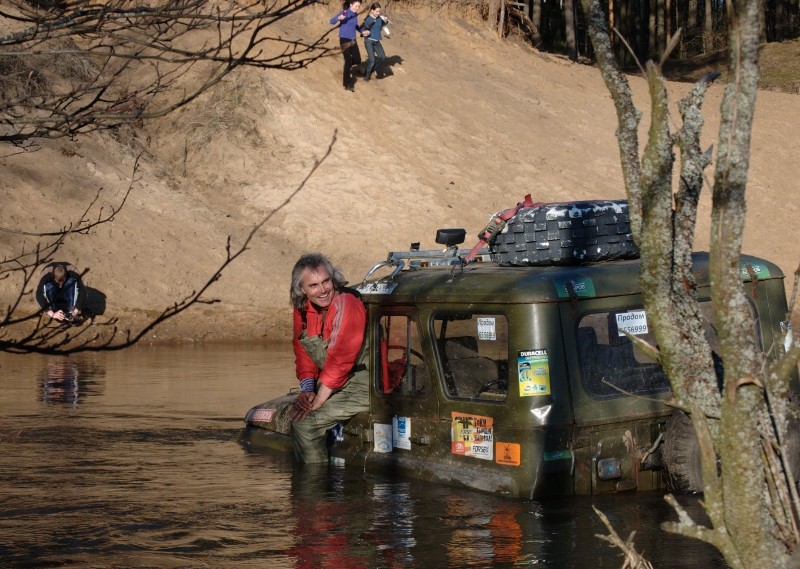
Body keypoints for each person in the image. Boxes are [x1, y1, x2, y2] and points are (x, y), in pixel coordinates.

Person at [289, 253, 369, 463]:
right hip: (334, 381)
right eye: (313, 285)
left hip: (363, 384)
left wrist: (319, 399)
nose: (322, 290)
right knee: (297, 411)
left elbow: (341, 358)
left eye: (326, 281)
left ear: (333, 279)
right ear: (302, 290)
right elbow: (303, 352)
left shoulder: (347, 303)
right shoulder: (303, 311)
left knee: (305, 424)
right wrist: (308, 390)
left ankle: (313, 490)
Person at [330, 0, 368, 92]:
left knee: (357, 60)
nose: (357, 8)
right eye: (356, 6)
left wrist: (362, 31)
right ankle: (347, 83)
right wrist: (339, 18)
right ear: (351, 4)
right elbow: (331, 21)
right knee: (348, 60)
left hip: (352, 40)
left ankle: (346, 68)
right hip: (344, 39)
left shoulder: (355, 14)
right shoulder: (345, 12)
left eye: (359, 6)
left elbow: (355, 26)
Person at [361, 3, 389, 81]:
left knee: (382, 57)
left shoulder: (379, 18)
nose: (378, 13)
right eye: (376, 11)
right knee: (372, 60)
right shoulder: (368, 19)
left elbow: (383, 24)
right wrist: (373, 19)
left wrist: (385, 20)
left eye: (379, 11)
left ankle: (370, 70)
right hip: (369, 41)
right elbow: (365, 26)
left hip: (377, 41)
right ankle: (366, 77)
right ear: (372, 10)